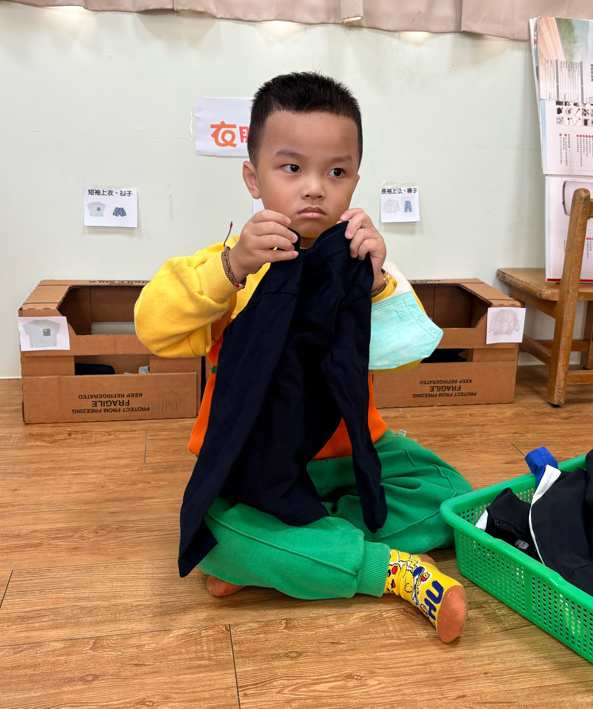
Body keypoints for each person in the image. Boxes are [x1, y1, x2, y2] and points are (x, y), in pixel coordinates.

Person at [134, 72, 472, 643]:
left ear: (356, 180)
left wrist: (376, 282)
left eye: (336, 172)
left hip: (350, 455)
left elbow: (407, 354)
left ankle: (290, 551)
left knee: (452, 495)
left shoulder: (364, 266)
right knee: (210, 531)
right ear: (253, 176)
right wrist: (231, 266)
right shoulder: (231, 267)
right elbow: (154, 327)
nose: (314, 189)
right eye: (291, 168)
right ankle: (384, 568)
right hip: (252, 466)